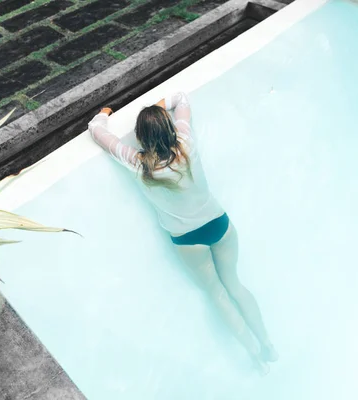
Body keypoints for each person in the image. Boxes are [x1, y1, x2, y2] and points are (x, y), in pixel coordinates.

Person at [88, 92, 278, 374]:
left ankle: (253, 354)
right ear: (169, 128)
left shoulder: (139, 164)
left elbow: (97, 131)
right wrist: (158, 108)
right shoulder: (186, 143)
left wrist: (104, 110)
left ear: (141, 139)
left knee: (217, 293)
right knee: (234, 284)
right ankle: (267, 343)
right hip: (219, 225)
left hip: (188, 240)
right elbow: (182, 100)